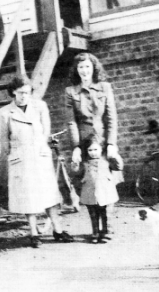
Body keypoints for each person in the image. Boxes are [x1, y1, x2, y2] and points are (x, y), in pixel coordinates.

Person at [0, 74, 74, 248]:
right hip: (21, 159)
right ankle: (33, 233)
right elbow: (3, 141)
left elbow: (45, 131)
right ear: (13, 93)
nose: (24, 96)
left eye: (27, 92)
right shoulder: (4, 113)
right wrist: (13, 156)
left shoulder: (40, 107)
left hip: (40, 156)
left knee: (49, 194)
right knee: (28, 197)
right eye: (20, 93)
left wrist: (42, 148)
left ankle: (58, 230)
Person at [65, 52, 123, 234]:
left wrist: (112, 143)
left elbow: (111, 117)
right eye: (81, 67)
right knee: (89, 181)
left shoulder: (104, 87)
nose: (84, 71)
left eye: (87, 67)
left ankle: (108, 226)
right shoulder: (70, 92)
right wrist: (76, 146)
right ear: (76, 70)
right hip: (84, 142)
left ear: (93, 68)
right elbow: (71, 121)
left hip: (104, 141)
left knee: (108, 180)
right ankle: (95, 228)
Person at [72, 133, 120, 243]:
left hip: (105, 191)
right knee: (93, 213)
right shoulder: (85, 162)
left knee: (105, 213)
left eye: (95, 149)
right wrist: (75, 162)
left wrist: (114, 155)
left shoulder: (107, 160)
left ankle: (106, 232)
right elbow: (76, 172)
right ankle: (95, 232)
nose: (93, 153)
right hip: (90, 191)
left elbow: (118, 166)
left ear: (101, 149)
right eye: (90, 150)